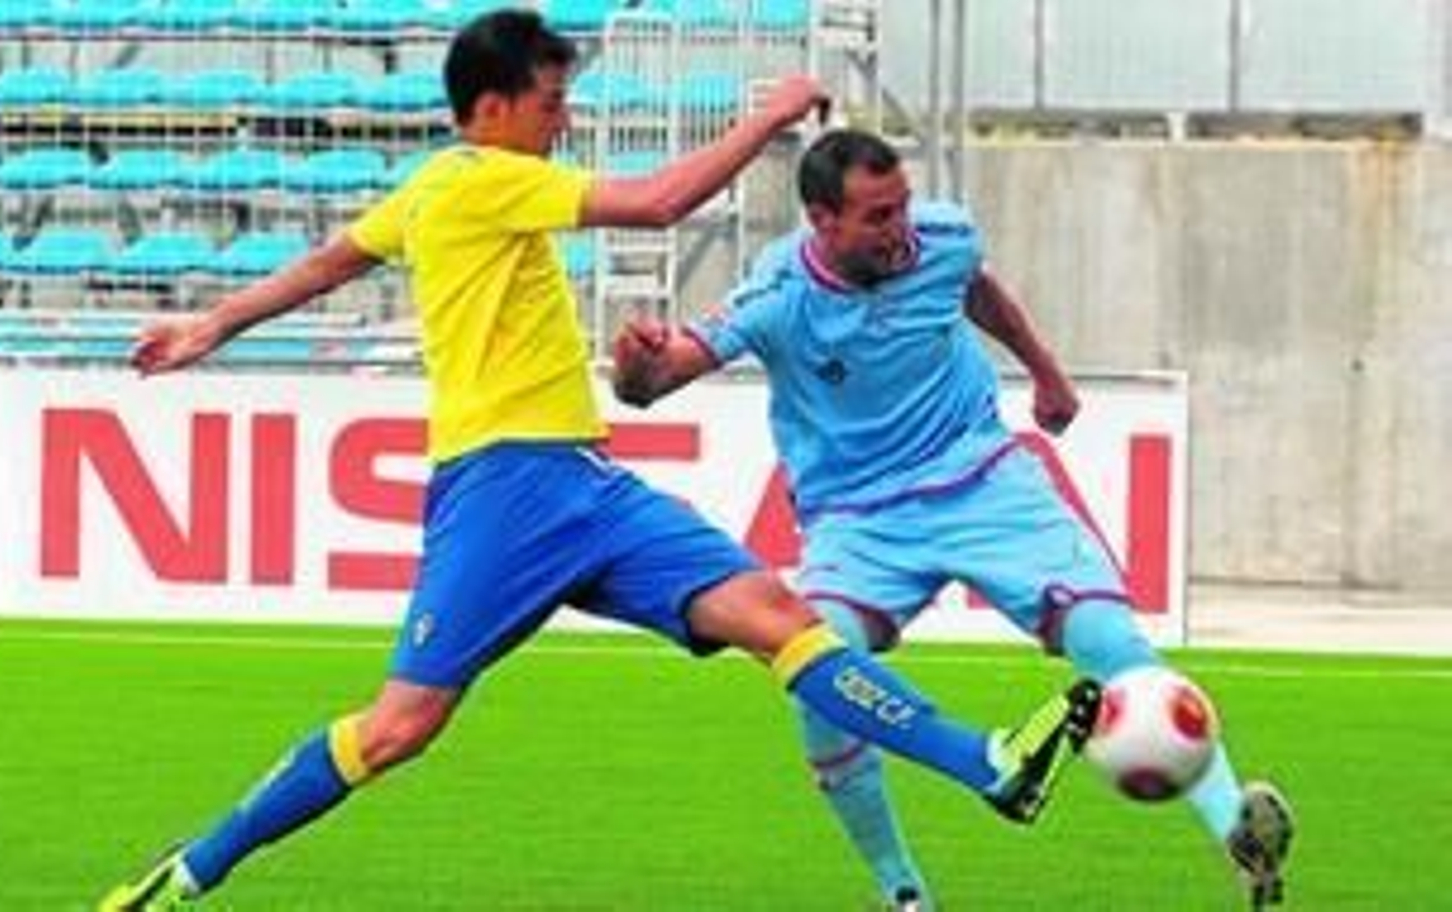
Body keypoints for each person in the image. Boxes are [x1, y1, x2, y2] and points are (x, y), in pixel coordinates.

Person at [97, 14, 1101, 911]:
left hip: (582, 485)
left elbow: (333, 260)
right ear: (490, 109)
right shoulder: (491, 176)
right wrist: (773, 117)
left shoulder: (434, 189)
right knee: (399, 726)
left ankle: (988, 765)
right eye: (550, 101)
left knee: (778, 617)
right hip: (505, 486)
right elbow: (660, 204)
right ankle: (191, 873)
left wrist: (215, 323)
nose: (563, 119)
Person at [610, 127, 1297, 911]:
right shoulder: (776, 298)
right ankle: (903, 891)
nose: (899, 228)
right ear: (821, 221)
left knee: (1113, 643)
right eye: (876, 217)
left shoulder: (942, 235)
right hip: (858, 518)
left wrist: (1044, 372)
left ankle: (1237, 835)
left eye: (901, 205)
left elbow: (973, 289)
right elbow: (655, 382)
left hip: (984, 481)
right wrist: (638, 364)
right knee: (817, 677)